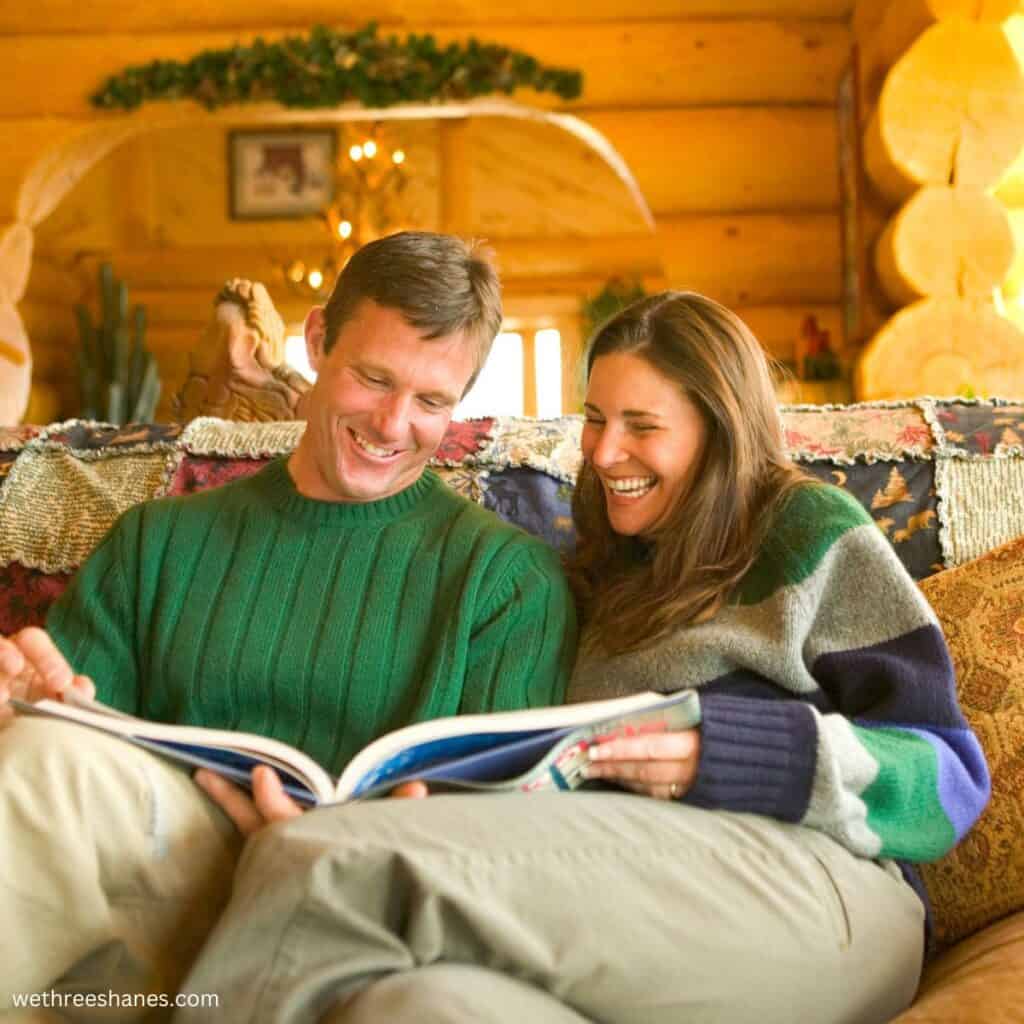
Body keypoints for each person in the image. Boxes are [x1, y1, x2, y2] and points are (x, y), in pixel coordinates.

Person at [176, 291, 990, 1024]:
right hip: (637, 895)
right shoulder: (595, 571)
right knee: (416, 1005)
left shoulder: (806, 529)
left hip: (820, 893)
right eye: (596, 419)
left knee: (319, 863)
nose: (602, 455)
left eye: (643, 426)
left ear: (719, 426)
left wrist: (733, 754)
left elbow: (949, 779)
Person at [0, 231, 577, 1013]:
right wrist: (20, 700)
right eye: (374, 378)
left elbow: (506, 848)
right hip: (167, 883)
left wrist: (332, 847)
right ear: (315, 342)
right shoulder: (161, 541)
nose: (393, 423)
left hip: (366, 913)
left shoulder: (506, 584)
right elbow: (65, 752)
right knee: (46, 753)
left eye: (433, 401)